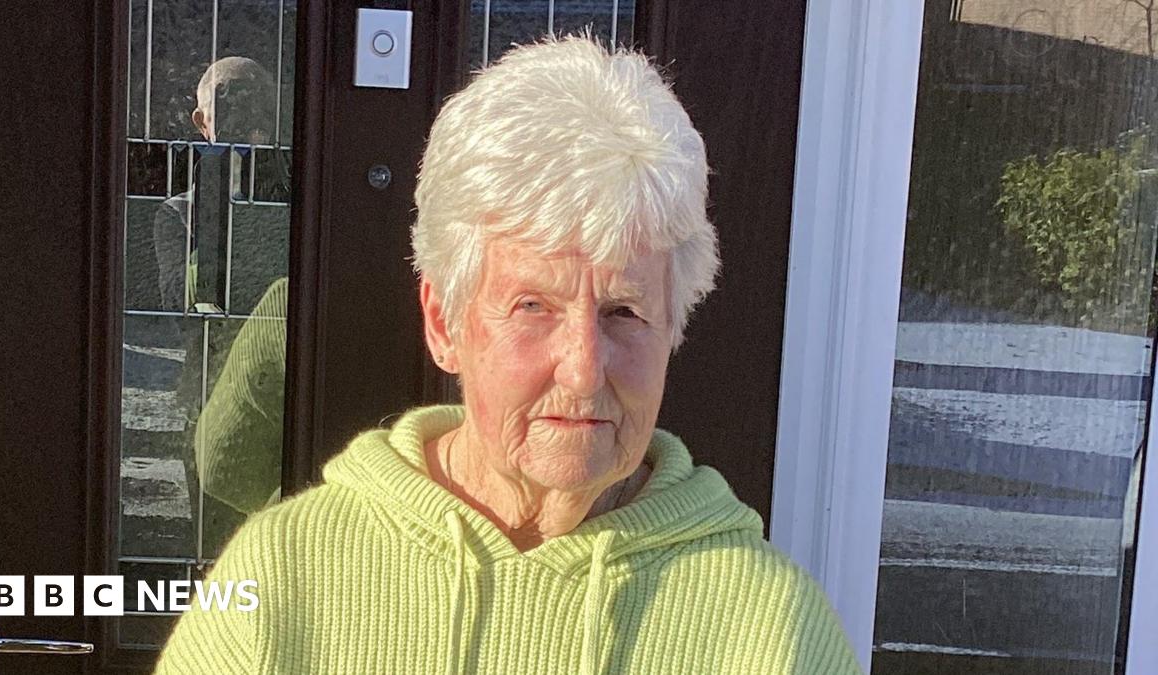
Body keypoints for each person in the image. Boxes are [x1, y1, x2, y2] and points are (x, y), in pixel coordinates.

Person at [155, 36, 860, 674]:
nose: (584, 369)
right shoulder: (286, 580)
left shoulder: (771, 630)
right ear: (444, 322)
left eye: (625, 312)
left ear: (673, 325)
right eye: (534, 307)